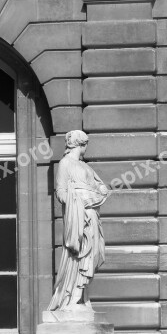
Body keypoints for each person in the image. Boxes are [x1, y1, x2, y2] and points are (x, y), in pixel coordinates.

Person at [48, 130, 109, 311]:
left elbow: (99, 185)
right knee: (79, 255)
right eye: (86, 144)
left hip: (91, 215)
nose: (86, 148)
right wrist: (77, 204)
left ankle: (83, 297)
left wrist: (101, 189)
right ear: (80, 144)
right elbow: (61, 191)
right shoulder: (65, 163)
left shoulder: (86, 167)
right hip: (78, 218)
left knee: (93, 255)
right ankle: (71, 299)